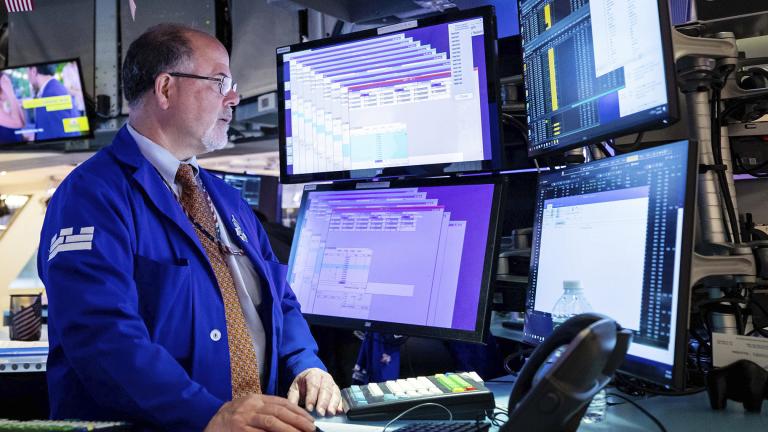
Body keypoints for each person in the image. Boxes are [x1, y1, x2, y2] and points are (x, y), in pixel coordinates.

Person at [37, 24, 343, 431]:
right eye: (220, 81)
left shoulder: (227, 200)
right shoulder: (91, 196)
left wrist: (305, 363)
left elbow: (281, 301)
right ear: (165, 89)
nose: (233, 97)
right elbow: (102, 338)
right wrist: (206, 413)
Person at [27, 64, 82, 141]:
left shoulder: (51, 95)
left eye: (27, 72)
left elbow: (64, 137)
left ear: (33, 71)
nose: (27, 77)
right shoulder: (54, 89)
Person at [0, 73, 25, 144]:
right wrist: (10, 92)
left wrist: (11, 94)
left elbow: (22, 122)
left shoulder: (7, 100)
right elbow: (18, 122)